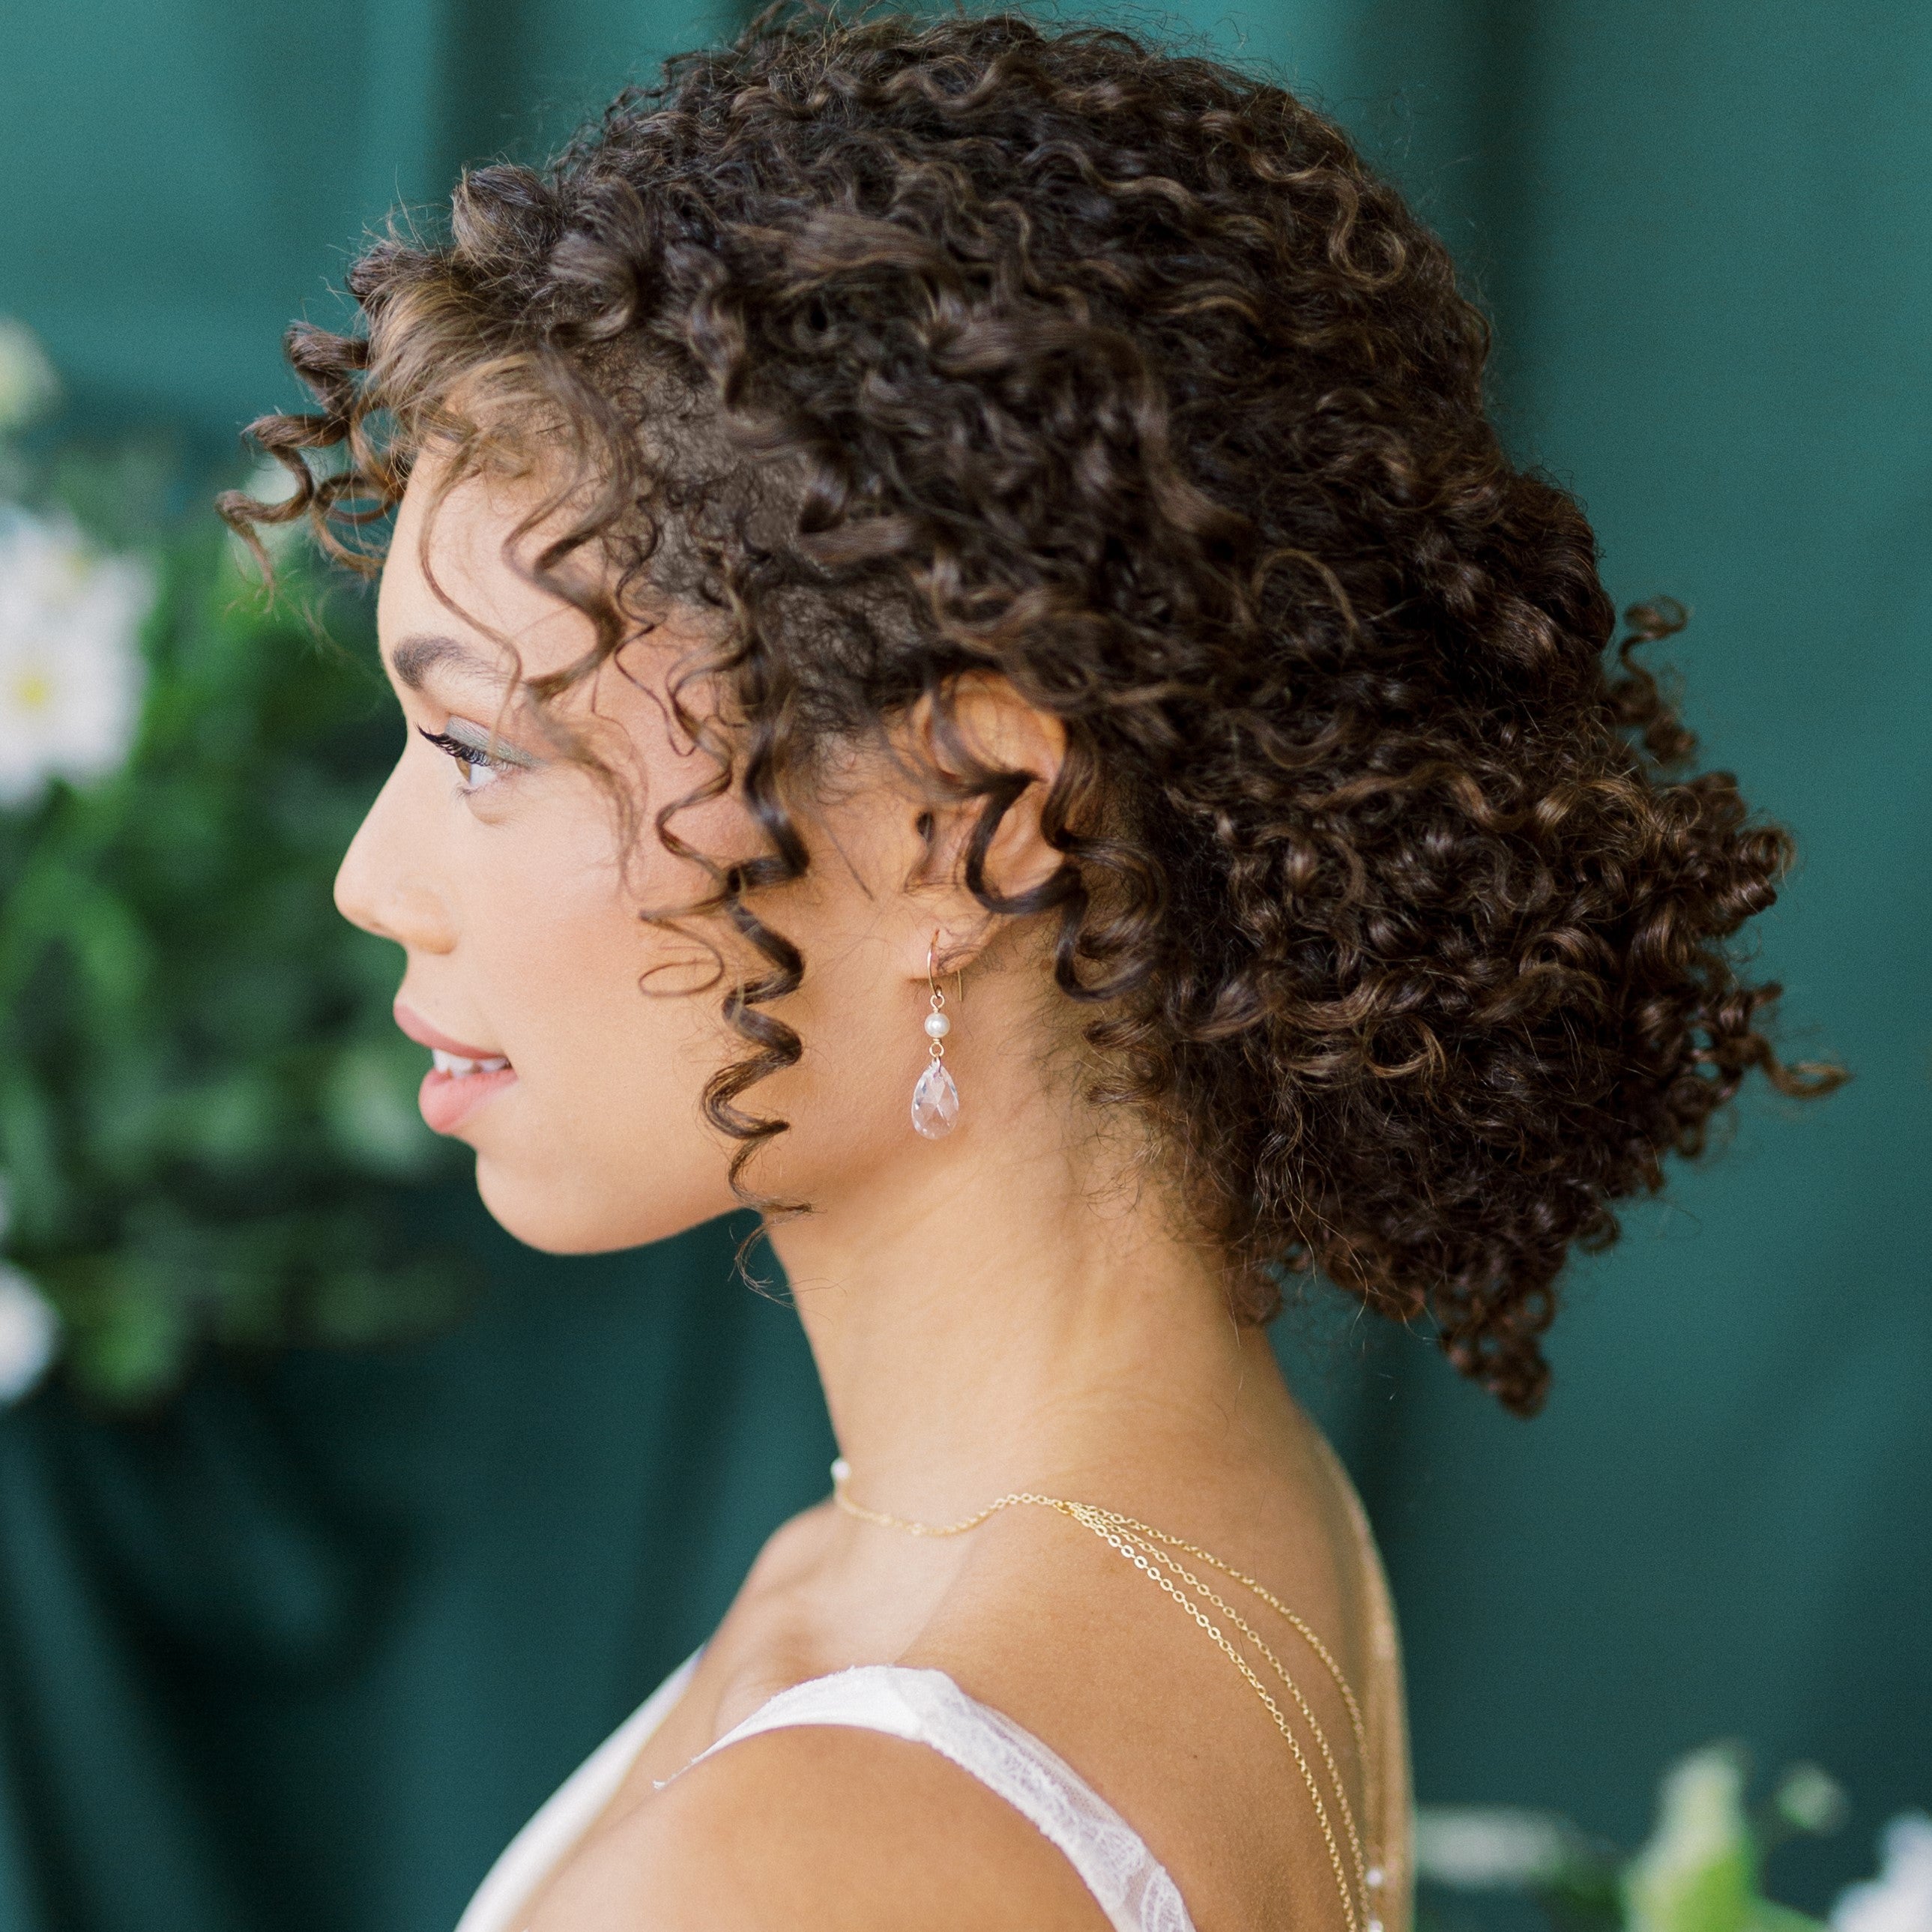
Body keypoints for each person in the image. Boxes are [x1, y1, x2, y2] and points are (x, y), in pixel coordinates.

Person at [223, 8, 1836, 1928]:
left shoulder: (815, 1857)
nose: (370, 879)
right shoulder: (1198, 1506)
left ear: (964, 829)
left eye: (483, 747)